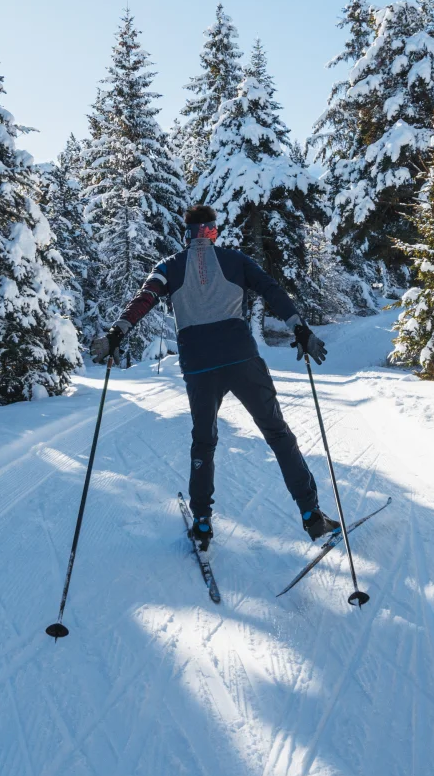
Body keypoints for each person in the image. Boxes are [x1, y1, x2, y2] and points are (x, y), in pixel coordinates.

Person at [91, 205, 338, 552]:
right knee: (278, 433)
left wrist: (117, 333)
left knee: (204, 442)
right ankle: (312, 515)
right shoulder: (236, 260)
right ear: (213, 232)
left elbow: (144, 299)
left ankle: (203, 523)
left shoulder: (167, 267)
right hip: (241, 358)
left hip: (198, 365)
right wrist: (299, 327)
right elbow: (270, 289)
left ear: (188, 234)